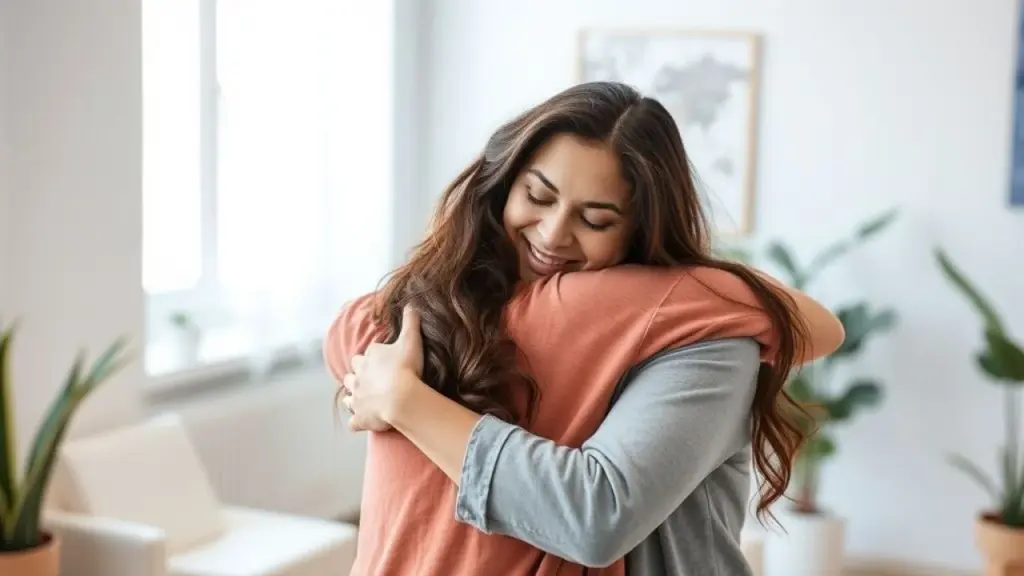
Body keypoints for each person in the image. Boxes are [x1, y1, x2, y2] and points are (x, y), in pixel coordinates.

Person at [324, 81, 844, 575]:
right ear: (503, 184)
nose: (553, 234)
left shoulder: (701, 334)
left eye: (595, 220)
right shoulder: (448, 307)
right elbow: (351, 329)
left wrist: (404, 400)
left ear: (641, 231)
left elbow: (597, 515)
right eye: (538, 196)